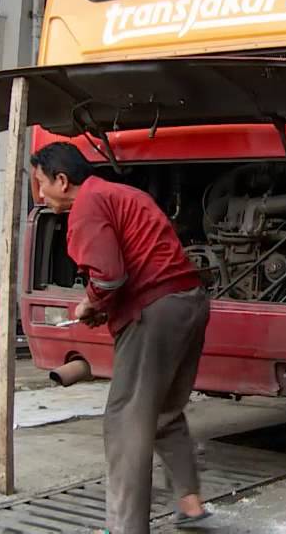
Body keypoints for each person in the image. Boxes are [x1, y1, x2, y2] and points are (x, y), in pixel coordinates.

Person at [29, 142, 211, 534]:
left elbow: (110, 276)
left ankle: (125, 527)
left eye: (42, 184)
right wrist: (104, 304)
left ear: (62, 181)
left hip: (155, 310)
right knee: (163, 410)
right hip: (190, 304)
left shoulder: (88, 205)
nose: (40, 195)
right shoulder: (123, 193)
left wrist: (90, 304)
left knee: (125, 419)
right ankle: (190, 503)